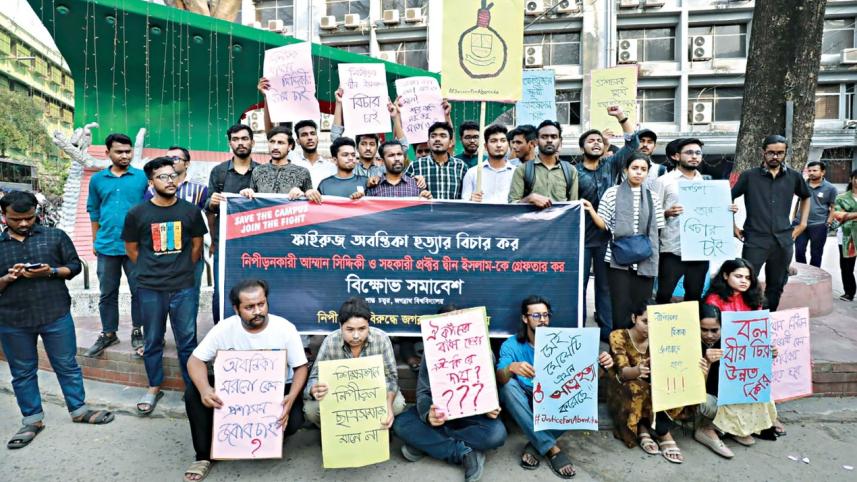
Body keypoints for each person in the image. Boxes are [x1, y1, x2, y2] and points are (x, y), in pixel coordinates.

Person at [0, 191, 114, 449]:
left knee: (66, 364)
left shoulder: (55, 236)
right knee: (22, 371)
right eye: (16, 219)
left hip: (55, 313)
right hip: (11, 319)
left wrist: (49, 271)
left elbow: (73, 267)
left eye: (29, 218)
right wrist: (8, 278)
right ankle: (32, 420)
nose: (24, 224)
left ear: (36, 213)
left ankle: (79, 410)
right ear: (4, 216)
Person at [182, 279, 308, 482]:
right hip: (234, 390)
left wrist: (291, 398)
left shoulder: (285, 328)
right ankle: (203, 456)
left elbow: (300, 367)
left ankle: (264, 439)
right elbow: (195, 361)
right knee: (193, 393)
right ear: (236, 309)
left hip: (276, 390)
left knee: (293, 420)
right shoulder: (224, 329)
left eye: (261, 304)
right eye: (249, 307)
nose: (258, 311)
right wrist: (205, 389)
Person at [123, 158, 208, 415]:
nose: (170, 181)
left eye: (173, 176)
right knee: (152, 340)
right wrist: (153, 269)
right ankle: (153, 387)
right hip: (150, 287)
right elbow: (131, 249)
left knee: (187, 341)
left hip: (184, 286)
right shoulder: (137, 214)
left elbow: (196, 247)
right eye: (163, 177)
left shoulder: (190, 211)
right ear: (151, 182)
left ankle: (191, 388)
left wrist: (180, 270)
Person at [496, 295, 613, 479]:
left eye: (545, 315)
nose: (542, 320)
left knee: (578, 392)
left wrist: (604, 366)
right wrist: (511, 368)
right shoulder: (511, 345)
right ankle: (552, 448)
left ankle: (538, 444)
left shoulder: (565, 341)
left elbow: (588, 380)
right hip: (524, 402)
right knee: (508, 387)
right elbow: (501, 378)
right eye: (536, 316)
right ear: (525, 318)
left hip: (554, 399)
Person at [393, 304, 506, 482]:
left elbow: (490, 388)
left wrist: (491, 406)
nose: (453, 332)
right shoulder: (431, 353)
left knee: (497, 435)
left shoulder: (482, 348)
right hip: (440, 416)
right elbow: (423, 392)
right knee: (401, 424)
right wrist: (427, 414)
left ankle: (427, 444)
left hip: (473, 417)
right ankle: (464, 452)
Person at [574, 106, 639, 340]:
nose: (596, 144)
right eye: (591, 140)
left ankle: (607, 333)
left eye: (600, 141)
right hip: (579, 239)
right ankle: (578, 331)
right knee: (578, 288)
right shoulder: (573, 172)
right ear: (582, 147)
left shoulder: (610, 166)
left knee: (605, 287)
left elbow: (633, 145)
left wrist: (622, 117)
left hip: (606, 238)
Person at [607, 301, 700, 463]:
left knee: (679, 381)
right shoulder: (619, 335)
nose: (650, 327)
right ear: (634, 318)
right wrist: (637, 370)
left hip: (652, 387)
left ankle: (648, 426)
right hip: (623, 387)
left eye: (654, 323)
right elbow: (622, 373)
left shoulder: (662, 338)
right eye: (645, 321)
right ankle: (659, 431)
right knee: (637, 385)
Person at [703, 258, 782, 443]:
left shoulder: (754, 298)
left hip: (746, 357)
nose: (744, 281)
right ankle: (733, 427)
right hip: (721, 356)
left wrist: (766, 349)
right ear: (725, 275)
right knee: (738, 383)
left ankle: (751, 425)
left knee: (755, 380)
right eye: (738, 276)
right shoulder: (713, 301)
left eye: (747, 277)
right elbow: (711, 337)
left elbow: (758, 334)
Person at [84, 133, 149, 358]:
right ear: (108, 153)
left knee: (138, 291)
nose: (124, 155)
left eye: (128, 151)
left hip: (135, 247)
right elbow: (93, 210)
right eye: (119, 152)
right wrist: (95, 241)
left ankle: (138, 330)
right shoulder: (98, 180)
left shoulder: (142, 178)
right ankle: (109, 333)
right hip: (107, 245)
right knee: (107, 293)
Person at [142, 146, 209, 358]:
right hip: (161, 258)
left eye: (177, 158)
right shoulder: (151, 190)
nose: (172, 161)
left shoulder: (200, 190)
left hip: (189, 258)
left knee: (190, 300)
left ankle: (189, 343)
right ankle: (156, 338)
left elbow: (204, 222)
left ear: (187, 163)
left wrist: (191, 260)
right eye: (169, 158)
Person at [586, 153, 666, 330]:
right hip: (617, 258)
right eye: (634, 168)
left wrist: (641, 247)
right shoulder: (612, 193)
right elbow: (604, 224)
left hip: (646, 258)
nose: (638, 173)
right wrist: (591, 210)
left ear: (648, 172)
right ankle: (620, 350)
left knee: (642, 306)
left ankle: (640, 350)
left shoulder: (653, 196)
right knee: (620, 306)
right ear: (625, 170)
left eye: (643, 169)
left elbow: (658, 227)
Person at [653, 138, 737, 304]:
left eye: (698, 153)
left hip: (699, 249)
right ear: (676, 156)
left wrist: (728, 211)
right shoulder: (663, 182)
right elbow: (651, 214)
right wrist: (666, 213)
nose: (694, 156)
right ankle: (661, 328)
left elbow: (712, 214)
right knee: (664, 294)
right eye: (689, 152)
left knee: (695, 295)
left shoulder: (708, 183)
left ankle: (691, 329)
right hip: (672, 248)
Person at [732, 134, 810, 311]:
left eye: (780, 153)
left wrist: (802, 224)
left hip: (783, 240)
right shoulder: (749, 176)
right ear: (763, 153)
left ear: (785, 154)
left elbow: (806, 197)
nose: (775, 157)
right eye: (771, 153)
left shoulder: (794, 177)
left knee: (776, 285)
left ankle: (768, 319)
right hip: (755, 239)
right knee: (747, 282)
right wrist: (732, 226)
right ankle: (748, 320)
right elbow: (727, 198)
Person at [303, 297, 406, 426]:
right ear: (340, 326)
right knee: (311, 410)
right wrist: (314, 389)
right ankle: (336, 432)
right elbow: (314, 377)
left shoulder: (382, 339)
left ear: (369, 325)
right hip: (340, 400)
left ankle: (375, 428)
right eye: (350, 330)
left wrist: (388, 406)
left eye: (362, 329)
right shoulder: (330, 342)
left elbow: (391, 377)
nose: (356, 336)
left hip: (373, 397)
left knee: (397, 405)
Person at [206, 124, 260, 323]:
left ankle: (255, 329)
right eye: (236, 139)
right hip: (226, 244)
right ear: (230, 143)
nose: (241, 143)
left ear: (252, 142)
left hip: (258, 244)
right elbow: (209, 209)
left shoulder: (262, 172)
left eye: (244, 139)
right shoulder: (219, 172)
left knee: (256, 290)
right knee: (221, 291)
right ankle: (221, 332)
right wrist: (211, 202)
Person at [694, 303, 735, 459]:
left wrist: (768, 354)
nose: (709, 335)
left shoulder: (731, 341)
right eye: (704, 330)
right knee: (702, 402)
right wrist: (708, 362)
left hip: (727, 398)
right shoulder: (688, 345)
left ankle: (719, 428)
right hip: (705, 401)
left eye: (714, 330)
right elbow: (695, 390)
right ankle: (707, 430)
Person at [508, 120, 579, 207]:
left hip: (561, 221)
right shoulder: (522, 170)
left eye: (554, 137)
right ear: (536, 141)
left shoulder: (570, 171)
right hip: (531, 220)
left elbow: (574, 208)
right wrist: (530, 198)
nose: (549, 140)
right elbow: (512, 206)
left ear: (560, 141)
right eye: (544, 137)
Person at [240, 126, 317, 201]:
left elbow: (310, 202)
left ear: (289, 146)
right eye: (272, 142)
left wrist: (303, 194)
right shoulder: (258, 171)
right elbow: (251, 202)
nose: (275, 147)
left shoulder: (302, 172)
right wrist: (247, 193)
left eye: (280, 143)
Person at [405, 122, 468, 200]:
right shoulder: (415, 165)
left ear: (451, 142)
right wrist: (414, 179)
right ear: (428, 143)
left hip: (453, 211)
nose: (437, 139)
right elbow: (404, 189)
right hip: (424, 211)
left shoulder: (461, 166)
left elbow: (466, 196)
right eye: (433, 136)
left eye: (443, 136)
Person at [793, 161, 838, 267]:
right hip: (800, 224)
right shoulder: (802, 185)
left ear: (823, 172)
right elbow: (796, 202)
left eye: (814, 170)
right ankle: (802, 275)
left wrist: (828, 222)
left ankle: (814, 278)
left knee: (816, 254)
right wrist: (794, 218)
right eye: (809, 171)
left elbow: (834, 206)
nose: (811, 173)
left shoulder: (830, 188)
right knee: (799, 251)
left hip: (819, 225)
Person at [461, 124, 517, 203]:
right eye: (493, 141)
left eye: (503, 141)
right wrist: (471, 200)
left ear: (508, 144)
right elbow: (464, 204)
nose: (499, 145)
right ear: (485, 146)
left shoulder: (516, 173)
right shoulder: (473, 173)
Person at [366, 140, 432, 199]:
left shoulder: (417, 185)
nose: (397, 158)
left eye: (399, 154)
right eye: (391, 155)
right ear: (383, 161)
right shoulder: (373, 187)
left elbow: (424, 211)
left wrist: (426, 200)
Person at [291, 120, 337, 188]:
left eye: (312, 133)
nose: (310, 138)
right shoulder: (292, 161)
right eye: (304, 135)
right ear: (298, 141)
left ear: (317, 138)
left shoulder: (331, 167)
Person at [834, 168, 857, 301]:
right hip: (847, 236)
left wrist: (849, 215)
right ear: (851, 179)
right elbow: (838, 215)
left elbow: (845, 215)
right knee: (847, 266)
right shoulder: (841, 198)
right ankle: (849, 292)